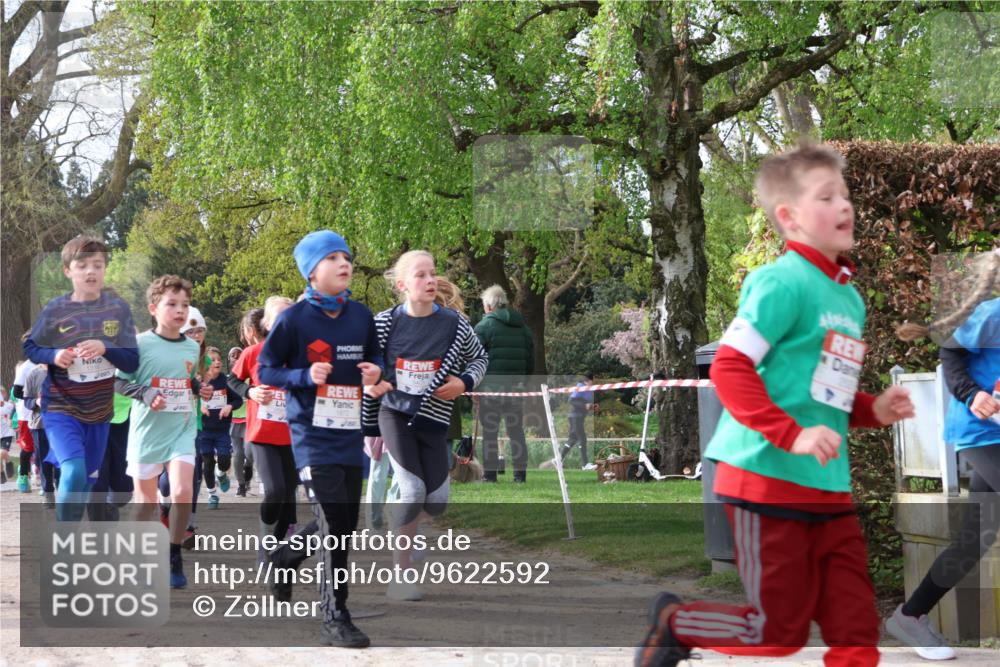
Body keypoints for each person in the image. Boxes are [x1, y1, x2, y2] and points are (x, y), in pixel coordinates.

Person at [636, 142, 915, 667]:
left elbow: (824, 393)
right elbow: (730, 367)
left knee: (856, 632)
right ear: (788, 217)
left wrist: (872, 410)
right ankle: (677, 622)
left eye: (846, 194)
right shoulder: (779, 282)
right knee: (777, 634)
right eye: (827, 196)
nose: (845, 205)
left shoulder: (847, 298)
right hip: (764, 481)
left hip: (828, 491)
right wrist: (793, 435)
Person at [258, 230, 383, 648]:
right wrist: (302, 376)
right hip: (311, 435)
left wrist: (375, 373)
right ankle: (335, 615)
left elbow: (376, 356)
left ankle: (284, 559)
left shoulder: (361, 315)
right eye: (332, 257)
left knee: (344, 524)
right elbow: (266, 370)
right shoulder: (293, 319)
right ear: (311, 271)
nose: (344, 263)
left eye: (346, 256)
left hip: (349, 433)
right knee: (333, 525)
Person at [887, 249, 1000, 660]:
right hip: (980, 430)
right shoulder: (994, 315)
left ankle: (910, 616)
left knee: (976, 539)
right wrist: (973, 395)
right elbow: (950, 353)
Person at [362, 250, 489, 601]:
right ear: (403, 285)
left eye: (433, 274)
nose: (430, 280)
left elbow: (480, 357)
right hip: (395, 415)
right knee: (413, 490)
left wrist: (464, 382)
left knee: (436, 501)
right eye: (421, 275)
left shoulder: (454, 323)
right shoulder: (385, 322)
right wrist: (369, 401)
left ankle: (404, 522)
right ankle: (401, 575)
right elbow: (364, 365)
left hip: (434, 418)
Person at [23, 236, 139, 521]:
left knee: (86, 481)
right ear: (68, 271)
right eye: (82, 265)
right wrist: (54, 355)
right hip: (61, 407)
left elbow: (132, 361)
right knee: (73, 470)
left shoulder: (118, 310)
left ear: (104, 270)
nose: (90, 271)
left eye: (97, 265)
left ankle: (70, 538)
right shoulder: (56, 309)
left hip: (99, 412)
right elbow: (31, 346)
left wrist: (106, 348)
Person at [115, 274, 213, 588]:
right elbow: (117, 382)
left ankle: (173, 553)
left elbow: (185, 381)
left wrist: (200, 388)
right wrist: (144, 394)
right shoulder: (139, 344)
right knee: (145, 504)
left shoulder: (190, 347)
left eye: (184, 305)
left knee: (183, 492)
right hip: (147, 432)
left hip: (181, 430)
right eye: (172, 304)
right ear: (154, 308)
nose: (180, 310)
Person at [231, 298, 296, 545]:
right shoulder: (252, 353)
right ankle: (266, 539)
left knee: (289, 492)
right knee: (275, 490)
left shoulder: (302, 356)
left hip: (292, 435)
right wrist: (250, 392)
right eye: (278, 318)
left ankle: (277, 548)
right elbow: (233, 381)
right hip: (262, 435)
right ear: (267, 323)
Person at [474, 285, 533, 483]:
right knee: (516, 430)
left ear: (489, 306)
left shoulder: (484, 327)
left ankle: (490, 476)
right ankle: (520, 476)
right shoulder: (523, 328)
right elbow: (530, 360)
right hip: (516, 388)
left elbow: (473, 358)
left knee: (490, 431)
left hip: (490, 387)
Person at [198, 346, 242, 509]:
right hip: (204, 430)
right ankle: (212, 495)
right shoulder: (199, 380)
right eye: (212, 359)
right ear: (205, 362)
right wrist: (199, 407)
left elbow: (237, 400)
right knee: (207, 462)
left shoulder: (226, 381)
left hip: (222, 429)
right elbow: (189, 398)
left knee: (223, 461)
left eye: (218, 359)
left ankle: (221, 474)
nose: (217, 362)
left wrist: (229, 406)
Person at [227, 346, 253, 496]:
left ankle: (248, 468)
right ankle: (241, 484)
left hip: (250, 420)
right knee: (238, 454)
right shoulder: (226, 379)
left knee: (249, 454)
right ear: (229, 359)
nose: (236, 358)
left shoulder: (250, 377)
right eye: (233, 356)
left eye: (239, 355)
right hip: (234, 421)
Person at [0, 387, 14, 483]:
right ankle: (1, 475)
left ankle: (9, 462)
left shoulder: (9, 406)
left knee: (2, 453)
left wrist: (11, 420)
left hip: (7, 433)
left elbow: (14, 414)